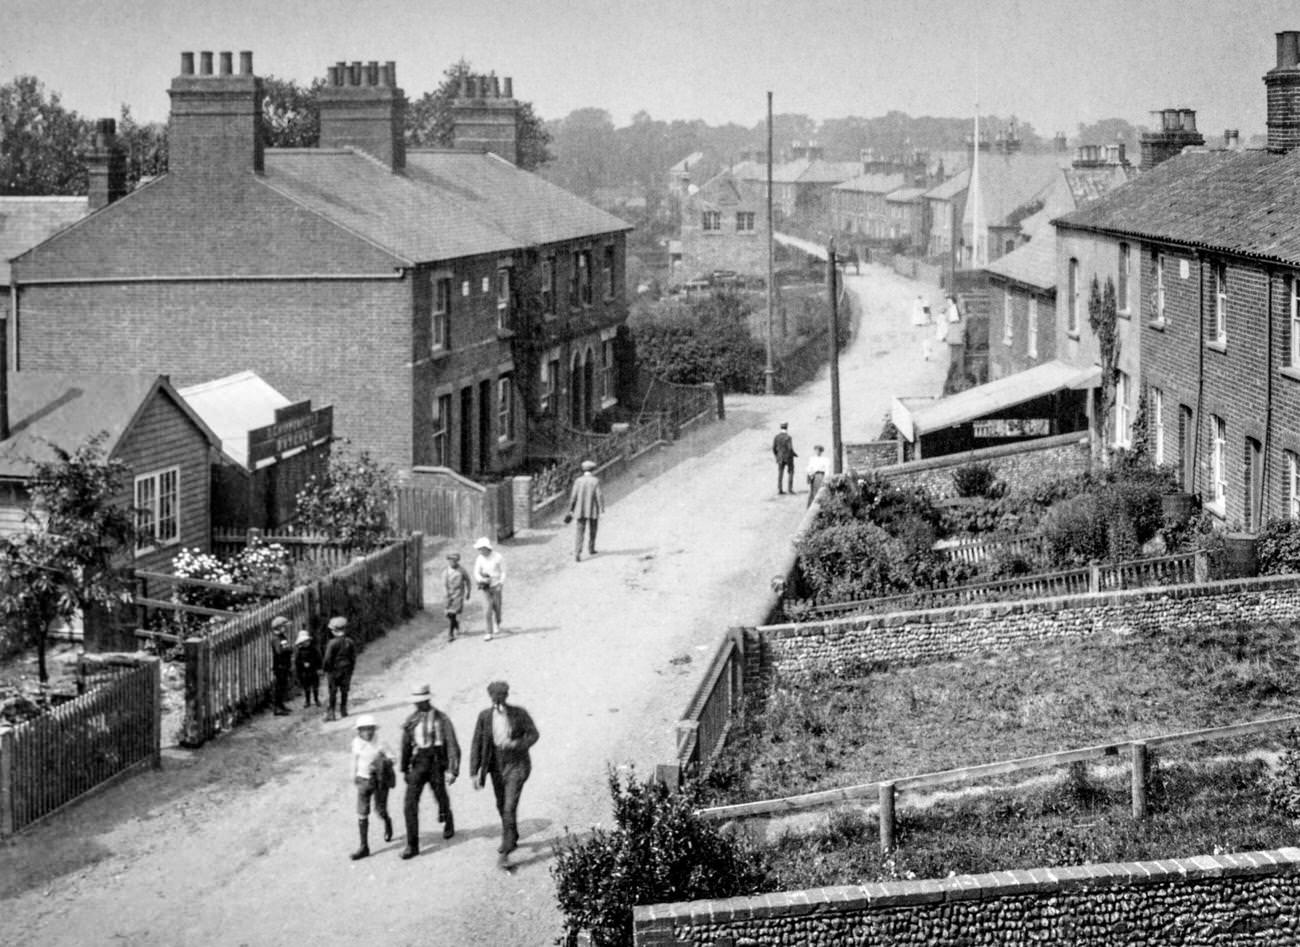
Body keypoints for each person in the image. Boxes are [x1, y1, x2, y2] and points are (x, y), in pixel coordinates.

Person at [470, 680, 539, 867]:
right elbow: (477, 742)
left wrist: (517, 744)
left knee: (509, 806)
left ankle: (506, 849)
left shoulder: (519, 713)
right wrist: (474, 772)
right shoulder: (484, 717)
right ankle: (512, 834)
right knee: (501, 804)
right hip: (495, 766)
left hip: (516, 764)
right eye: (494, 696)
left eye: (501, 696)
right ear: (490, 697)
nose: (497, 699)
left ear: (506, 696)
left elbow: (533, 734)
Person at [399, 684, 460, 859]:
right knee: (409, 804)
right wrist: (404, 769)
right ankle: (412, 844)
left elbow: (452, 744)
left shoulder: (441, 719)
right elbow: (406, 745)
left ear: (428, 700)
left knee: (440, 794)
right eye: (416, 702)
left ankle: (448, 819)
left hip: (436, 762)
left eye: (422, 701)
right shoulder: (412, 721)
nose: (418, 705)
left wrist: (452, 769)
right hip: (418, 764)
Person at [349, 714, 394, 860]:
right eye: (364, 730)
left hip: (379, 781)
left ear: (374, 729)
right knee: (362, 812)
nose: (367, 732)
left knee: (380, 809)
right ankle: (364, 846)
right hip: (363, 780)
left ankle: (387, 821)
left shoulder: (381, 743)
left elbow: (393, 758)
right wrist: (353, 774)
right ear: (359, 731)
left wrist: (383, 761)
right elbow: (354, 759)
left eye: (370, 729)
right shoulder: (356, 743)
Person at [566, 460, 605, 562]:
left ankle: (577, 553)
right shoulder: (595, 481)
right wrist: (601, 509)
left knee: (580, 531)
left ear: (583, 470)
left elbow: (573, 496)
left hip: (580, 510)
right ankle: (591, 548)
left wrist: (571, 509)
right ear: (593, 470)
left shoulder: (578, 481)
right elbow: (599, 496)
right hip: (592, 509)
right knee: (593, 530)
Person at [321, 616, 356, 721]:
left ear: (334, 631)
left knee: (333, 691)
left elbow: (327, 658)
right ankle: (343, 709)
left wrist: (325, 669)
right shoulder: (350, 641)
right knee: (344, 690)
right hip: (346, 669)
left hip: (334, 670)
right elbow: (353, 657)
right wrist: (351, 669)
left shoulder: (332, 643)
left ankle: (331, 712)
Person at [472, 537, 506, 641]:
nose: (480, 551)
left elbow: (503, 571)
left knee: (497, 607)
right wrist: (481, 579)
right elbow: (476, 572)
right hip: (485, 587)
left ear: (487, 548)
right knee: (487, 609)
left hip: (496, 586)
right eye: (479, 549)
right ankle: (488, 632)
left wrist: (501, 583)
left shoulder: (498, 557)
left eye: (481, 549)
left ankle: (497, 622)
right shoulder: (479, 559)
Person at [442, 552, 471, 641]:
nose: (451, 562)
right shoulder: (445, 571)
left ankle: (450, 634)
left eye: (454, 560)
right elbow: (444, 584)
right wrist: (446, 593)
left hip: (458, 594)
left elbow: (468, 581)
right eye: (450, 560)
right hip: (448, 595)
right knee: (448, 614)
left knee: (453, 613)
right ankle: (456, 624)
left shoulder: (462, 570)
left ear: (457, 561)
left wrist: (468, 592)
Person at [293, 627, 322, 709]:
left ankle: (316, 699)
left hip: (313, 670)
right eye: (304, 642)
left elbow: (318, 659)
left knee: (315, 686)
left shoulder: (314, 649)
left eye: (307, 641)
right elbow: (297, 662)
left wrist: (318, 668)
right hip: (305, 672)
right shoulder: (299, 651)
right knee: (306, 687)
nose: (306, 643)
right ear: (301, 643)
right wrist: (302, 664)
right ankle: (307, 701)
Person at [270, 617, 293, 715]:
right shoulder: (276, 638)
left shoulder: (282, 637)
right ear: (278, 627)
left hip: (285, 664)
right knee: (279, 687)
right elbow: (279, 651)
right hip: (279, 665)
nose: (286, 628)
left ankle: (281, 705)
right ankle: (277, 708)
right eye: (284, 626)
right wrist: (288, 649)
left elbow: (287, 648)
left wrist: (288, 648)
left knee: (283, 686)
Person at [772, 422, 796, 495]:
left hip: (780, 457)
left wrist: (777, 455)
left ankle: (780, 489)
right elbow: (790, 448)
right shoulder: (788, 437)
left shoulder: (776, 437)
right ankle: (790, 489)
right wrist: (794, 454)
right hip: (788, 457)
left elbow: (773, 448)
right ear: (787, 428)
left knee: (780, 473)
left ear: (780, 428)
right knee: (791, 471)